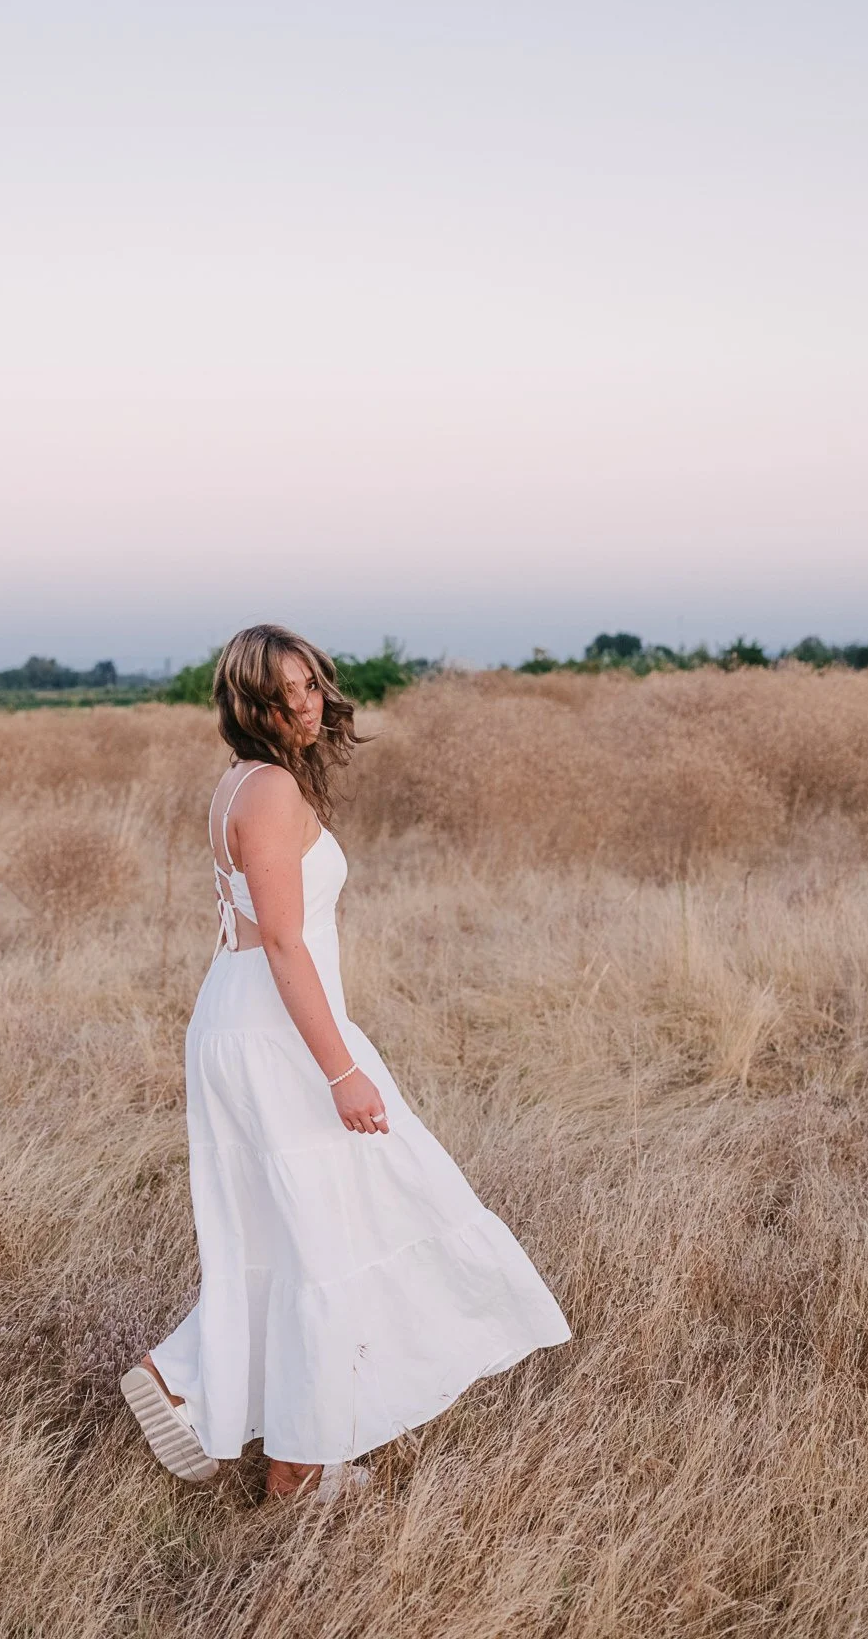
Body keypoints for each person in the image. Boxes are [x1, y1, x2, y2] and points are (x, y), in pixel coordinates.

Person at [121, 624, 572, 1504]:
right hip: (278, 1031)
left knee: (305, 1235)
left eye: (313, 684)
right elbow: (285, 943)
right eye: (286, 692)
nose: (309, 703)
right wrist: (341, 1071)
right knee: (343, 1229)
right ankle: (252, 1432)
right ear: (250, 703)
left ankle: (254, 1422)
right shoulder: (272, 791)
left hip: (251, 1019)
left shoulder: (241, 784)